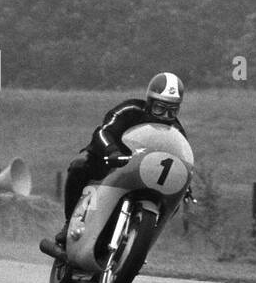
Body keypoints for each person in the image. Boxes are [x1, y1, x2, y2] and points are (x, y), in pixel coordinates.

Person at [51, 72, 189, 250]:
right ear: (150, 103)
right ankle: (70, 222)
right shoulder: (129, 110)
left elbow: (180, 159)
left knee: (173, 202)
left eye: (172, 111)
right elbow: (103, 132)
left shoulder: (177, 131)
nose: (165, 116)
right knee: (79, 165)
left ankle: (141, 242)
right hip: (111, 163)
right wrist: (112, 152)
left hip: (145, 176)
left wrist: (184, 181)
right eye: (160, 108)